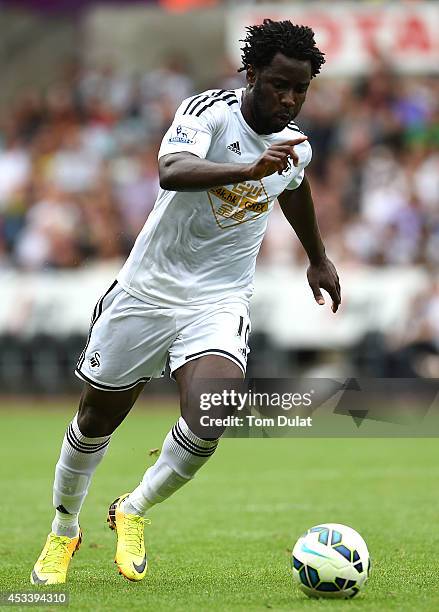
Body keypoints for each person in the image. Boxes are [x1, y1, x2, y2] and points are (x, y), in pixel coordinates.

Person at [31, 19, 341, 585]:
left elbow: (295, 186)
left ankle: (132, 508)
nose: (289, 99)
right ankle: (64, 529)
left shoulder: (296, 142)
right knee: (95, 419)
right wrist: (246, 168)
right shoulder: (207, 112)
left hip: (218, 299)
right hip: (146, 293)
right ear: (251, 74)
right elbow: (171, 171)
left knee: (213, 411)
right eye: (278, 84)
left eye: (300, 89)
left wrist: (316, 257)